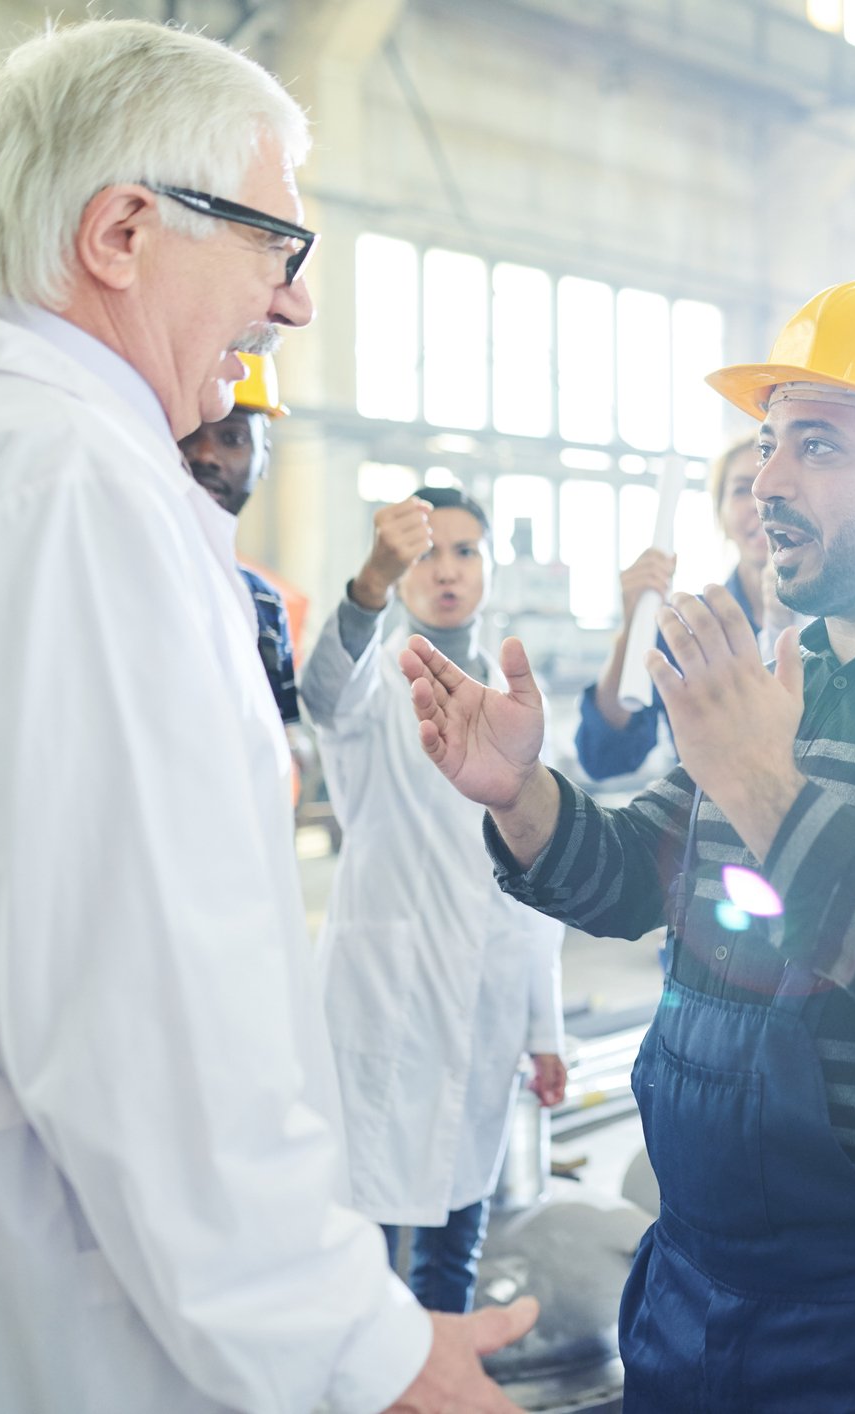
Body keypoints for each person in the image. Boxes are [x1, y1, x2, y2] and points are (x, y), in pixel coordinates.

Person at [0, 19, 529, 1413]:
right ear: (121, 230)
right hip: (64, 1300)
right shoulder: (69, 490)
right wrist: (366, 1345)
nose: (291, 308)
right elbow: (137, 999)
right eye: (277, 250)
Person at [401, 279, 855, 1412]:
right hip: (696, 1285)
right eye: (767, 444)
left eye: (818, 446)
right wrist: (521, 795)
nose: (769, 485)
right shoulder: (785, 684)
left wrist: (765, 784)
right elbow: (628, 871)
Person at [301, 485, 569, 1314]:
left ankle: (441, 1381)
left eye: (464, 551)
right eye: (425, 552)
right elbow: (322, 695)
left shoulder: (517, 704)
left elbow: (539, 877)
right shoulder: (377, 688)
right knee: (363, 1242)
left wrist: (544, 1028)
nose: (445, 570)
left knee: (457, 1236)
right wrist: (368, 585)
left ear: (487, 567)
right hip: (383, 994)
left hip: (483, 996)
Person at [576, 438, 774, 779]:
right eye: (742, 489)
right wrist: (633, 628)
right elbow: (604, 757)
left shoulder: (841, 624)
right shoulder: (690, 627)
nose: (760, 501)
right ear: (721, 516)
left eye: (773, 483)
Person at [181, 349, 303, 723]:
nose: (206, 455)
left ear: (263, 459)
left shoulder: (264, 605)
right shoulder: (126, 571)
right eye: (189, 433)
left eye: (231, 438)